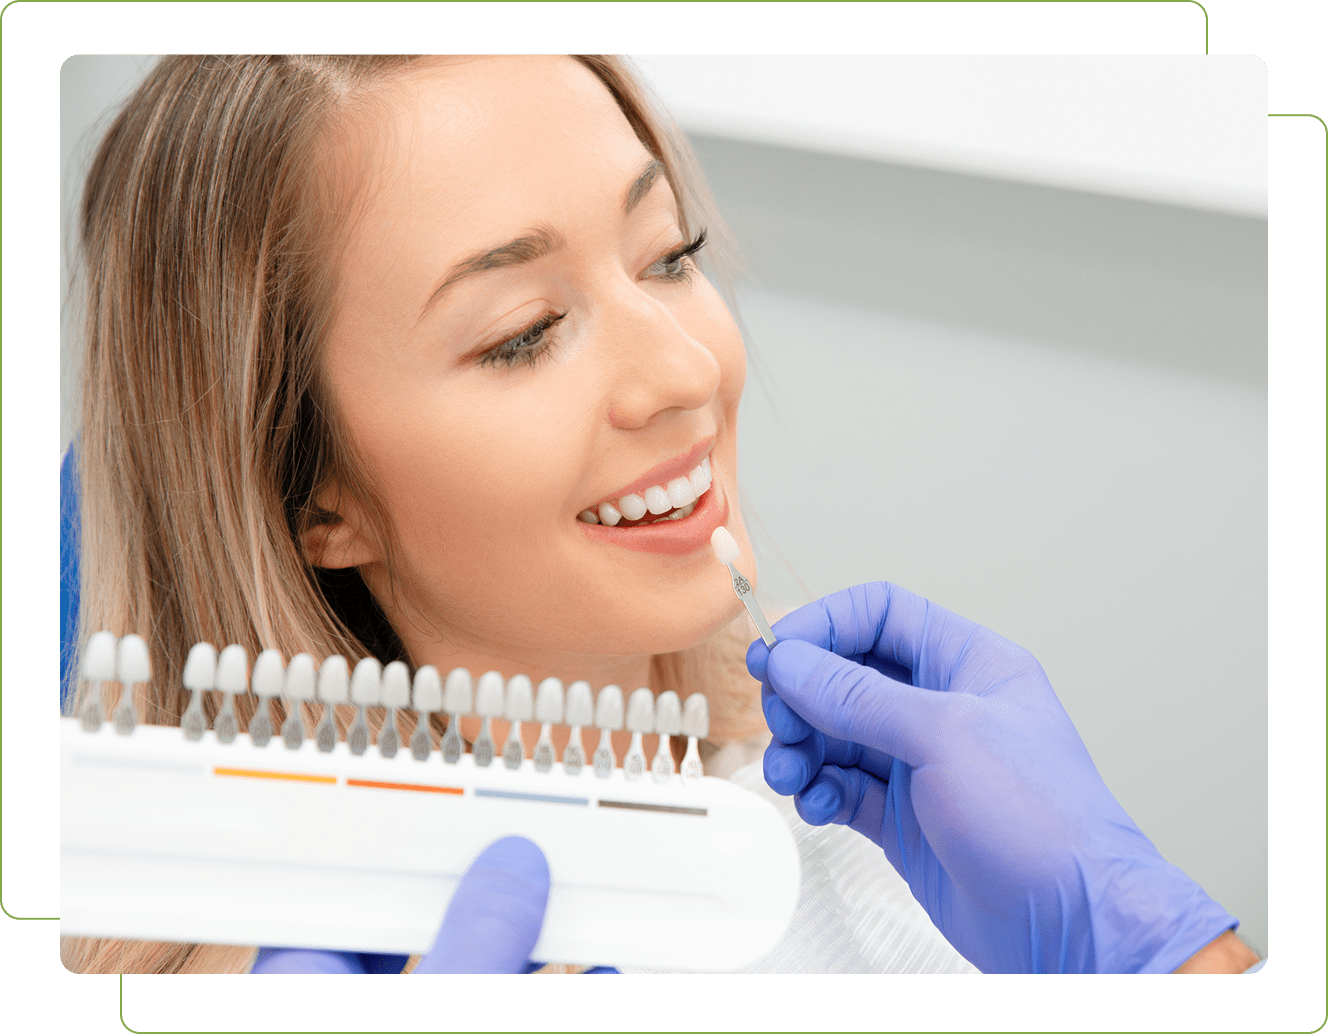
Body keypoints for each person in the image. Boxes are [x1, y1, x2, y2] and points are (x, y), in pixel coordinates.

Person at [61, 52, 771, 975]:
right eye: (523, 334)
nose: (689, 372)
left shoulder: (853, 801)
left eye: (669, 257)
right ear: (314, 501)